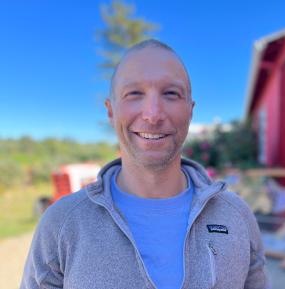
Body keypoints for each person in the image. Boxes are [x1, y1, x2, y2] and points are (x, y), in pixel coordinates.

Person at [20, 39, 268, 289]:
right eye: (134, 93)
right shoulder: (62, 224)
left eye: (171, 93)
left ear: (190, 111)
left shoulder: (236, 215)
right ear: (110, 111)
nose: (153, 114)